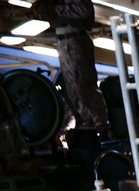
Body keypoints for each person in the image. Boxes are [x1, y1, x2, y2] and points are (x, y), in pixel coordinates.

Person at [33, 0, 109, 132]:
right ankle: (88, 123)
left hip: (76, 39)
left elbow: (83, 10)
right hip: (63, 41)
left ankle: (101, 125)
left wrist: (54, 9)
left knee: (84, 86)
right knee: (72, 89)